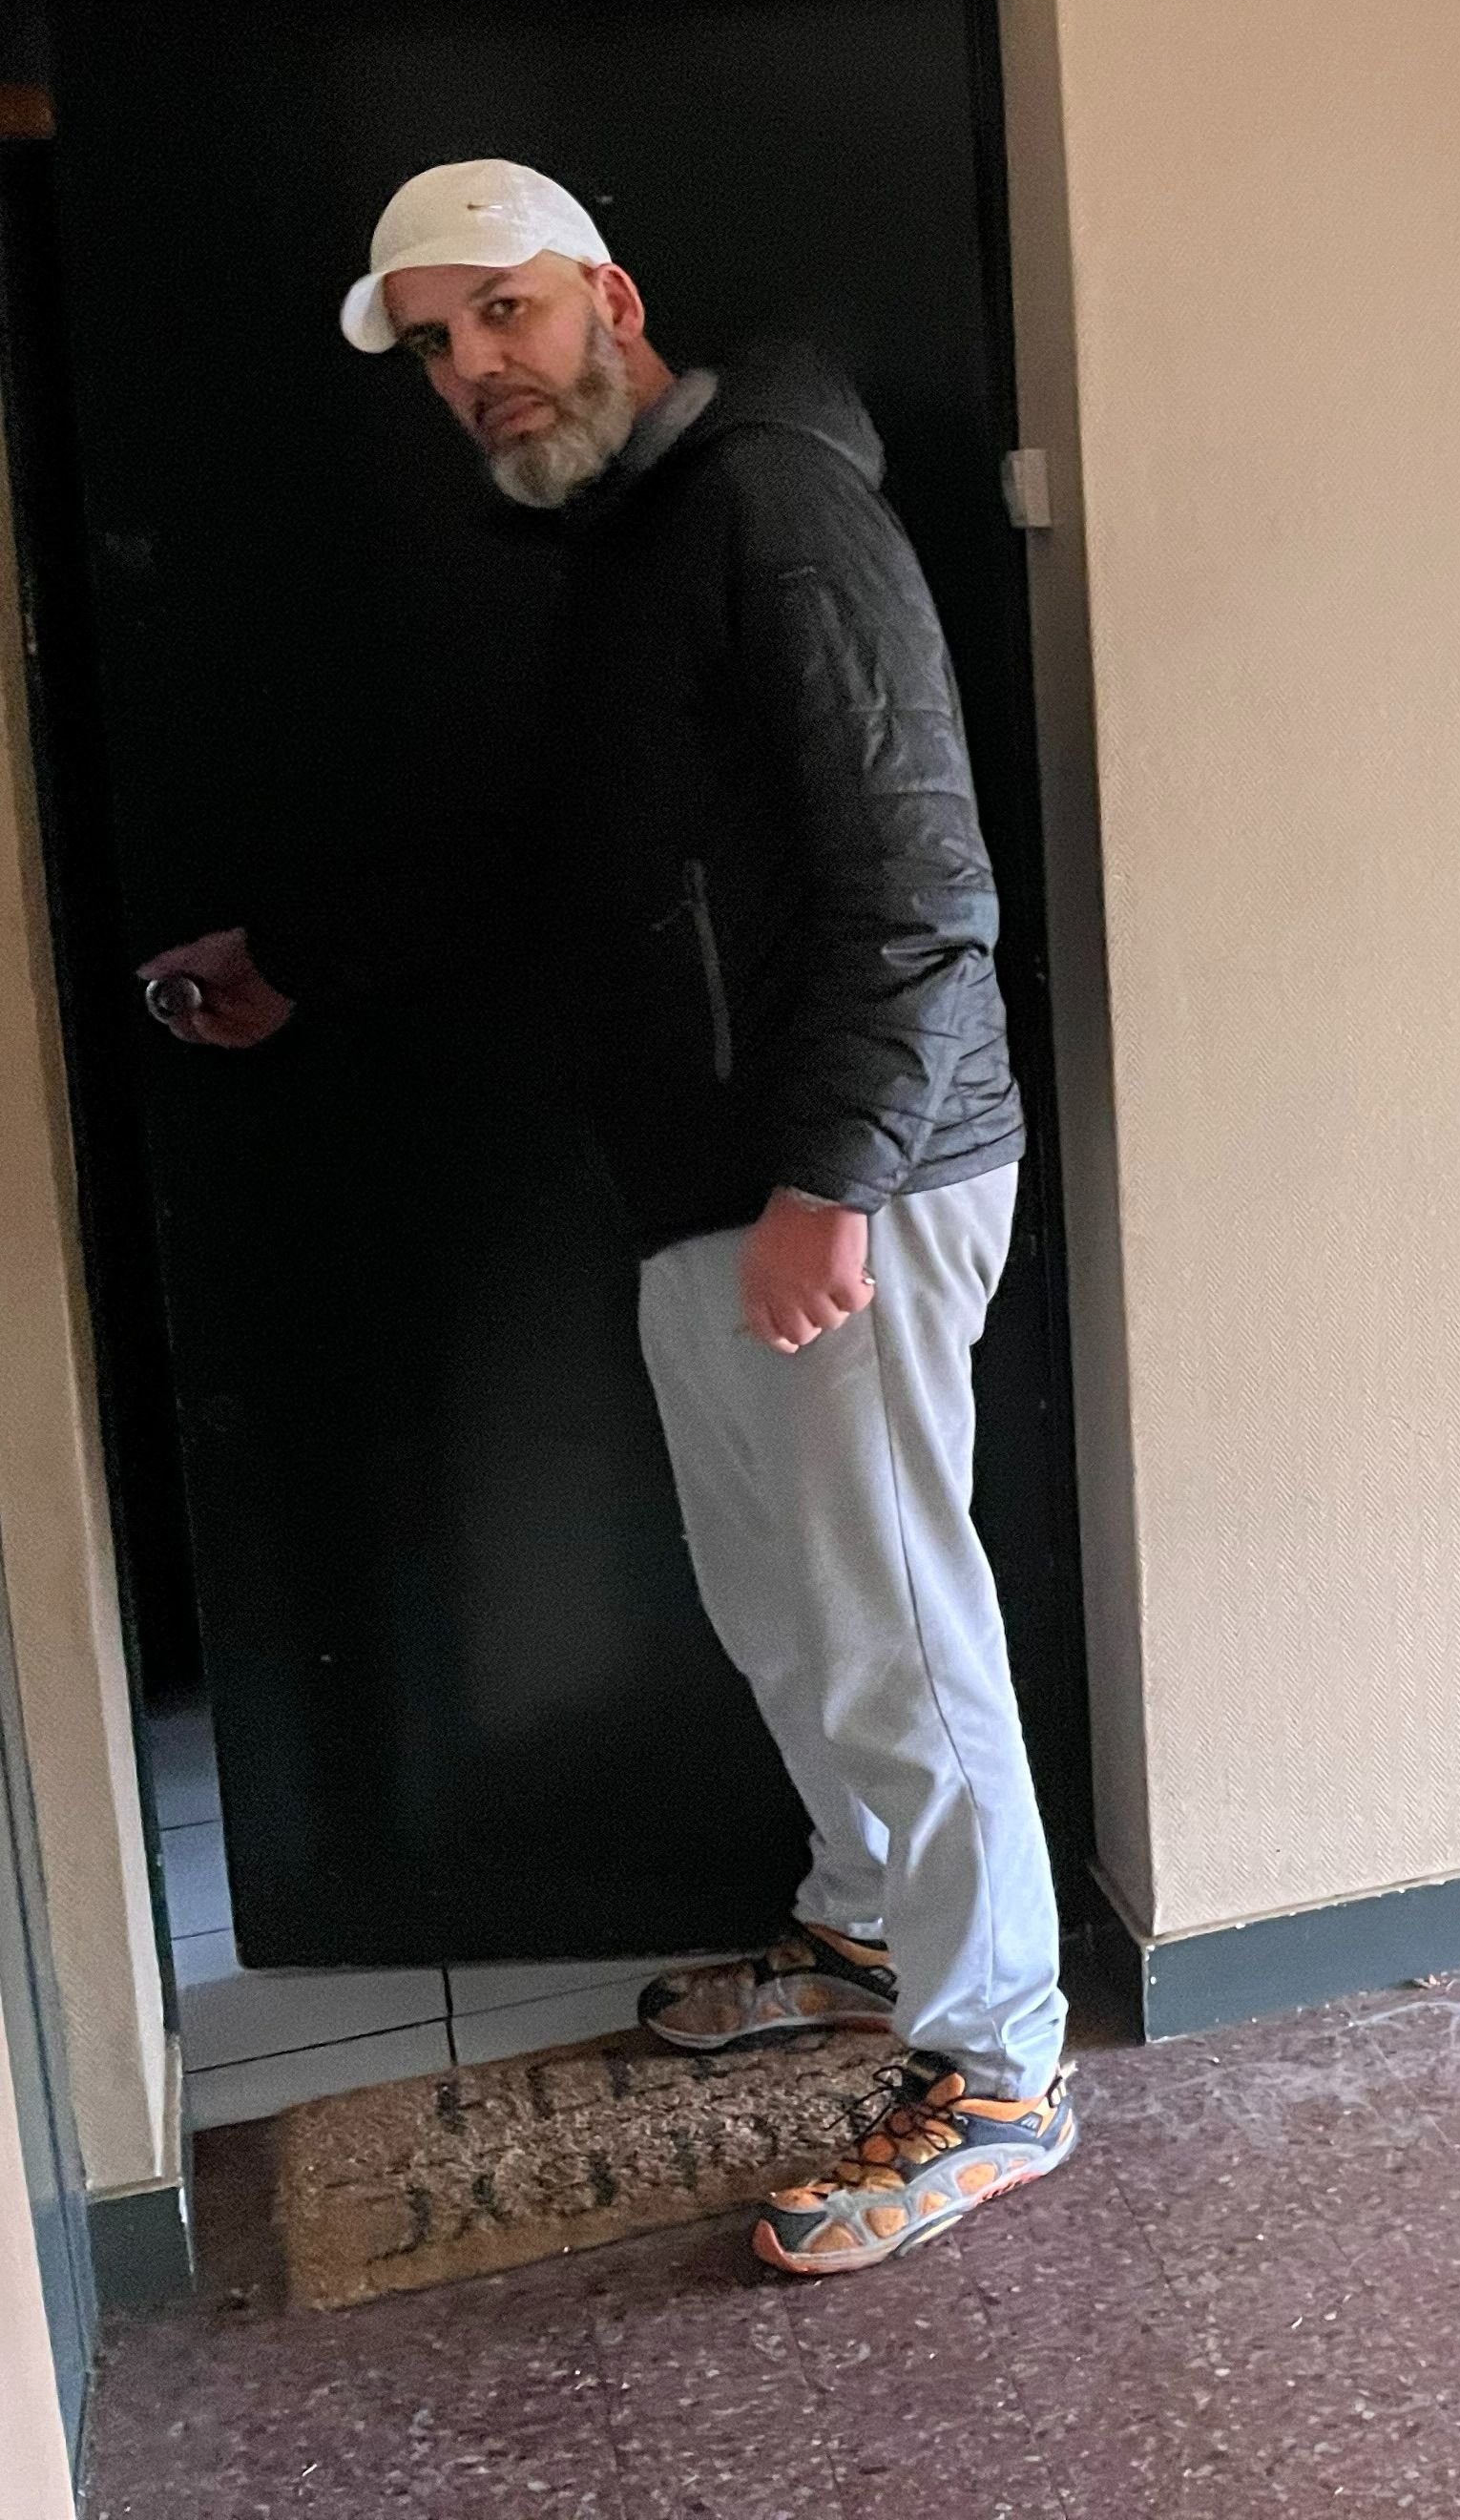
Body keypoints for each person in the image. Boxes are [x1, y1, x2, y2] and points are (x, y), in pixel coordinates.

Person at [140, 158, 1075, 2277]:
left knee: (888, 1620)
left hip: (853, 1173)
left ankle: (1003, 2063)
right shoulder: (629, 543)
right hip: (715, 1182)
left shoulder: (772, 503)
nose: (478, 368)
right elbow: (550, 857)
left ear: (610, 297)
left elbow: (924, 878)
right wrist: (298, 948)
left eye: (506, 315)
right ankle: (864, 1930)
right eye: (442, 346)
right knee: (789, 1610)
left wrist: (827, 1182)